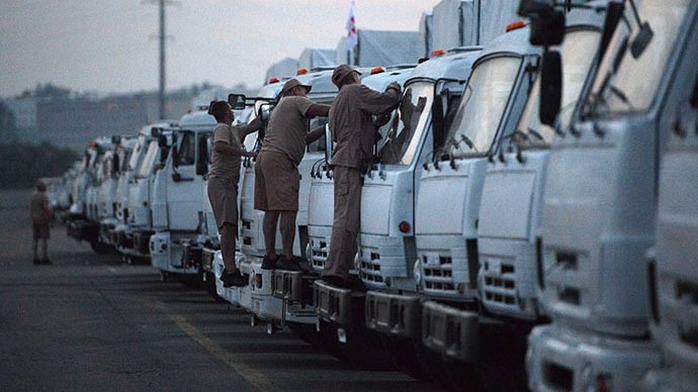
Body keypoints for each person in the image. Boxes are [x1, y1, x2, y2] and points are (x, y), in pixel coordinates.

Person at [321, 64, 402, 288]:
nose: (360, 77)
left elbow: (346, 132)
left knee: (345, 218)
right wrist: (394, 87)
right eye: (358, 74)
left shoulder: (338, 100)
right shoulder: (354, 91)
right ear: (351, 76)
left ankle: (341, 269)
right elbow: (387, 101)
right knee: (345, 220)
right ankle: (335, 272)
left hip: (344, 161)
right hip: (349, 162)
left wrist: (373, 125)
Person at [254, 78, 331, 271]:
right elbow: (317, 110)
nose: (306, 95)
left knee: (271, 210)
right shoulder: (295, 100)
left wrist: (325, 128)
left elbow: (302, 140)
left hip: (265, 158)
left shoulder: (281, 108)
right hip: (281, 160)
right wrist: (343, 107)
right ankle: (288, 257)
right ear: (295, 89)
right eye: (305, 91)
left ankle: (270, 255)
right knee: (288, 209)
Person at [208, 101, 263, 287]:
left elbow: (253, 125)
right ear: (225, 113)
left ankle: (230, 269)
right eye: (230, 110)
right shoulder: (222, 128)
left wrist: (265, 112)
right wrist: (244, 154)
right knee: (227, 227)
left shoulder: (234, 130)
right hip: (221, 182)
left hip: (228, 184)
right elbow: (220, 147)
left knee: (230, 227)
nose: (232, 113)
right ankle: (230, 270)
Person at [30, 181, 52, 265]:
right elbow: (46, 208)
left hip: (34, 218)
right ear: (42, 188)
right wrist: (50, 217)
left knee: (35, 238)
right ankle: (44, 257)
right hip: (42, 219)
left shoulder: (33, 197)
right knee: (44, 238)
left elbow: (31, 208)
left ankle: (35, 257)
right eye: (44, 186)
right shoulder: (44, 196)